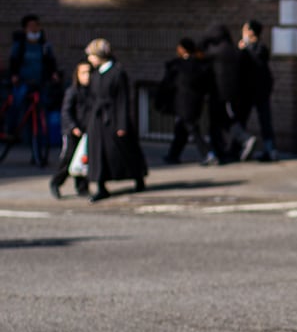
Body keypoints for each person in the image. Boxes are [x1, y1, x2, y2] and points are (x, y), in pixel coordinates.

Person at [83, 38, 149, 202]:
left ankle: (137, 176)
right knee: (98, 154)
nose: (89, 59)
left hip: (112, 119)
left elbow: (122, 99)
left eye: (92, 55)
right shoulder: (96, 72)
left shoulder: (117, 72)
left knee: (121, 152)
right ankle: (100, 185)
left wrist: (122, 124)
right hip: (98, 120)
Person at [199, 23, 256, 163]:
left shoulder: (215, 51)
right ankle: (227, 149)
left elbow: (200, 53)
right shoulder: (234, 50)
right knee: (226, 121)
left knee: (219, 123)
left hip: (219, 93)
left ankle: (238, 141)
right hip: (234, 93)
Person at [161, 37, 218, 166]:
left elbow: (171, 83)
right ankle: (173, 155)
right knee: (181, 129)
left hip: (185, 103)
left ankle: (208, 153)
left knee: (192, 128)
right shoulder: (199, 64)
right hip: (194, 102)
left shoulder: (181, 65)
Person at [7, 14, 60, 140]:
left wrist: (54, 74)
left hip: (40, 82)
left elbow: (51, 62)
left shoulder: (44, 46)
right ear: (25, 29)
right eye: (31, 26)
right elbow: (13, 62)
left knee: (42, 109)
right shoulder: (20, 45)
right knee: (17, 104)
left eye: (36, 26)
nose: (34, 29)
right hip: (24, 82)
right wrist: (14, 76)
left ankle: (40, 137)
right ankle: (11, 130)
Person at [49, 60, 91, 199]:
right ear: (77, 75)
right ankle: (56, 183)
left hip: (86, 130)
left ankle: (82, 187)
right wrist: (73, 127)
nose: (87, 76)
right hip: (72, 131)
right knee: (68, 158)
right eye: (83, 73)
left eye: (89, 72)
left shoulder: (92, 91)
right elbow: (66, 112)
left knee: (83, 159)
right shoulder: (72, 91)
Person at [238, 20, 277, 161]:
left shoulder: (259, 49)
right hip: (250, 91)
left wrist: (244, 49)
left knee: (264, 120)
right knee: (242, 119)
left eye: (244, 30)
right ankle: (240, 146)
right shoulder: (252, 48)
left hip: (258, 91)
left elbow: (255, 62)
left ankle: (269, 149)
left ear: (251, 32)